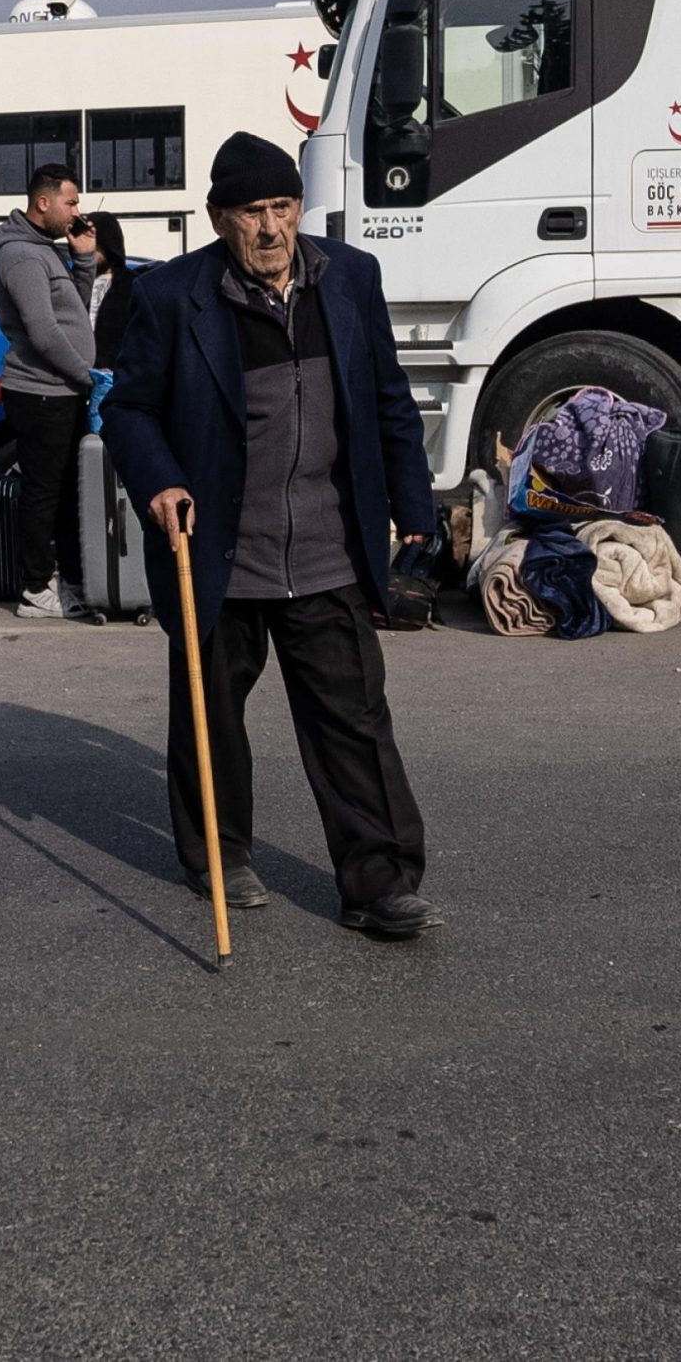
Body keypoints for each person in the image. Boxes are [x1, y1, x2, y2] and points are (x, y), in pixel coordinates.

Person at [103, 133, 444, 939]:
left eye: (283, 208)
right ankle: (219, 857)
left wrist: (416, 508)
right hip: (220, 549)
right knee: (211, 716)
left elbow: (388, 398)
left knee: (353, 722)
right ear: (219, 220)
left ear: (301, 209)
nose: (270, 229)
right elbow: (128, 409)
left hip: (327, 547)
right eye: (252, 212)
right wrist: (161, 480)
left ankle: (380, 883)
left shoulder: (351, 279)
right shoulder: (172, 298)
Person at [0, 163, 98, 617]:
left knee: (65, 492)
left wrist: (85, 258)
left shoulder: (46, 251)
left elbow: (74, 306)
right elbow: (44, 332)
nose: (77, 210)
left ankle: (66, 581)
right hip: (41, 392)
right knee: (42, 493)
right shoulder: (22, 256)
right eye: (71, 202)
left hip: (62, 389)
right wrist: (87, 376)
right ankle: (36, 589)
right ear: (43, 202)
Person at [82, 210, 136, 371]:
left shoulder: (133, 287)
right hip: (76, 379)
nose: (89, 249)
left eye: (95, 244)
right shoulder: (72, 282)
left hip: (116, 380)